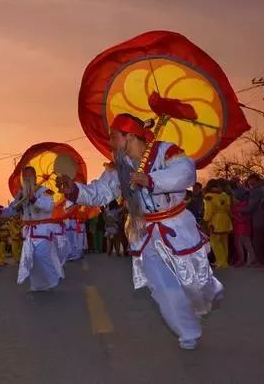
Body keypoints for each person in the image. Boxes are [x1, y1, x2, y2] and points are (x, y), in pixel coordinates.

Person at [57, 113, 222, 350]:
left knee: (196, 284)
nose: (111, 143)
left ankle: (207, 296)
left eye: (114, 137)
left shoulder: (165, 151)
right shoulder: (118, 168)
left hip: (176, 226)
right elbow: (100, 192)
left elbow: (186, 171)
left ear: (130, 136)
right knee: (162, 287)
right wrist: (73, 189)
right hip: (145, 234)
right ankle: (187, 331)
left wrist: (151, 179)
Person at [3, 166, 64, 292]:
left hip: (42, 231)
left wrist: (34, 199)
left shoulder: (44, 191)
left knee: (41, 255)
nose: (27, 179)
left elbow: (49, 206)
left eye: (30, 177)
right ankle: (38, 285)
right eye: (25, 177)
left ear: (35, 177)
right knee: (31, 259)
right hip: (28, 232)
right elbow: (13, 209)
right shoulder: (21, 194)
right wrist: (4, 212)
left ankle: (52, 280)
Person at [203, 179, 233, 269]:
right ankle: (224, 261)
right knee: (224, 241)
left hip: (215, 220)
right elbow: (228, 208)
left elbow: (209, 210)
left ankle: (221, 262)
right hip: (226, 219)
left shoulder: (209, 196)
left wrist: (206, 219)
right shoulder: (225, 195)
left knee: (215, 242)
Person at [242, 174, 264, 266]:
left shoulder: (256, 191)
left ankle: (260, 261)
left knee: (257, 241)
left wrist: (240, 210)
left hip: (258, 218)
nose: (250, 183)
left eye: (251, 180)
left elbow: (251, 206)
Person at [230, 180, 254, 267]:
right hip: (244, 225)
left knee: (239, 243)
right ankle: (252, 259)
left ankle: (242, 260)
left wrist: (233, 216)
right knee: (247, 243)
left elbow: (240, 218)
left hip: (240, 226)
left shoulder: (238, 207)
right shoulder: (244, 205)